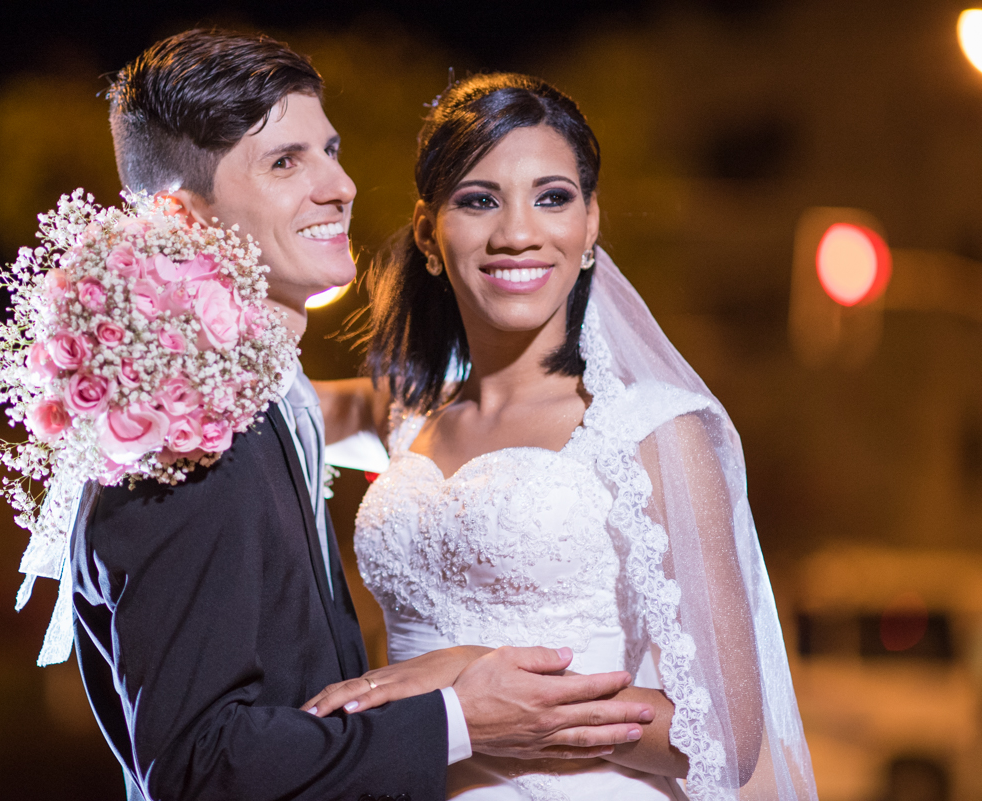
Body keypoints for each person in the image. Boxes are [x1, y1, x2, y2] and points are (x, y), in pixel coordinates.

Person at [69, 32, 659, 801]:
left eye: (329, 150)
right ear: (184, 218)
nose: (341, 185)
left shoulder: (270, 403)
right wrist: (458, 716)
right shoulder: (187, 433)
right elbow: (198, 766)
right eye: (285, 162)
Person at [307, 74, 819, 799]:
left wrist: (465, 671)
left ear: (590, 226)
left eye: (553, 197)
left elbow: (723, 741)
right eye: (479, 199)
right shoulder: (403, 410)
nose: (519, 232)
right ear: (427, 231)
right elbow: (242, 396)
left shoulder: (657, 429)